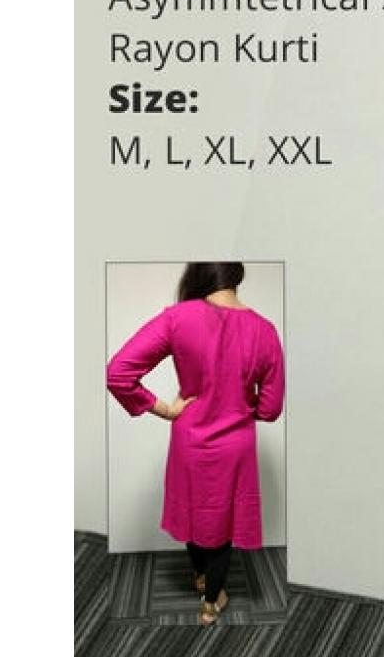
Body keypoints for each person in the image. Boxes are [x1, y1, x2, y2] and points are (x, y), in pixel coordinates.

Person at [105, 263, 286, 625]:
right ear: (237, 275)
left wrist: (166, 409)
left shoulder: (177, 317)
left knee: (195, 512)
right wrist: (240, 401)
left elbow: (117, 372)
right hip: (235, 446)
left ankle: (202, 577)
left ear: (200, 274)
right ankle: (210, 603)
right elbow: (269, 410)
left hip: (190, 441)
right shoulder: (264, 331)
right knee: (223, 524)